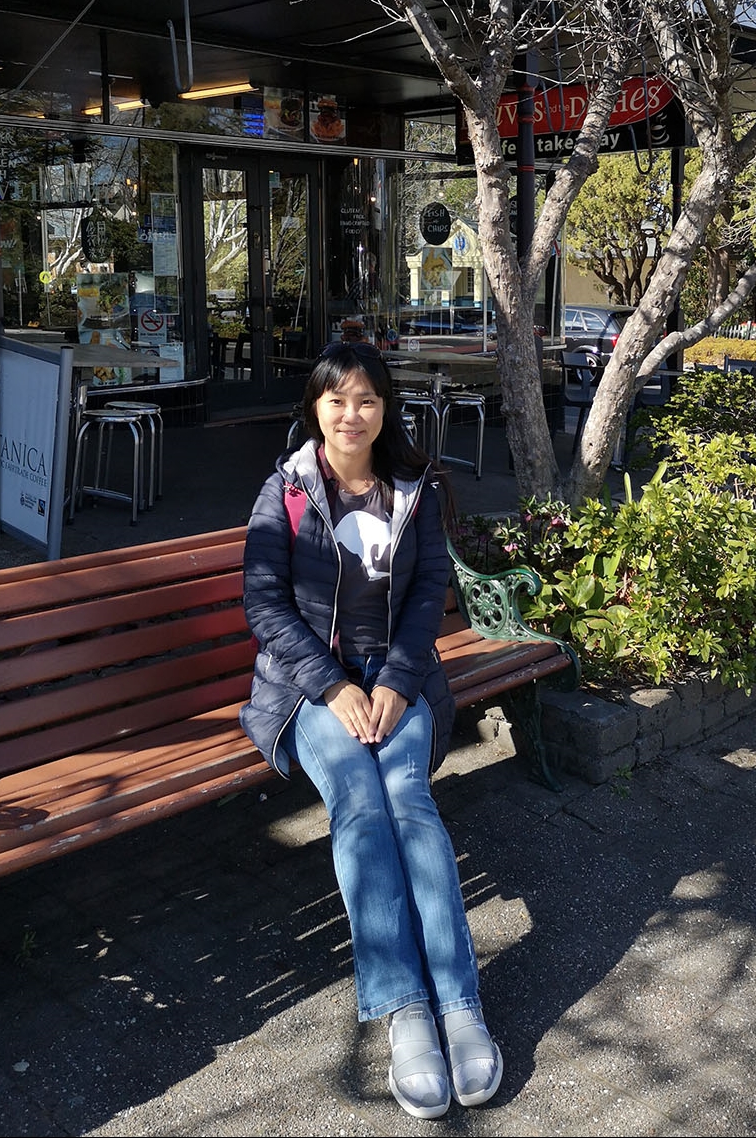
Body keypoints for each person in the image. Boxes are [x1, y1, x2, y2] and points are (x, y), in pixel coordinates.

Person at [239, 341, 503, 1120]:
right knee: (359, 800)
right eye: (336, 400)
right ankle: (405, 1011)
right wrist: (335, 687)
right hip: (307, 690)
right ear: (315, 409)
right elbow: (264, 603)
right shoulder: (286, 490)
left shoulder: (414, 489)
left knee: (409, 802)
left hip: (400, 681)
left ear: (386, 410)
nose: (351, 415)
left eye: (366, 401)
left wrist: (391, 680)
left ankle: (458, 1004)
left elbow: (428, 592)